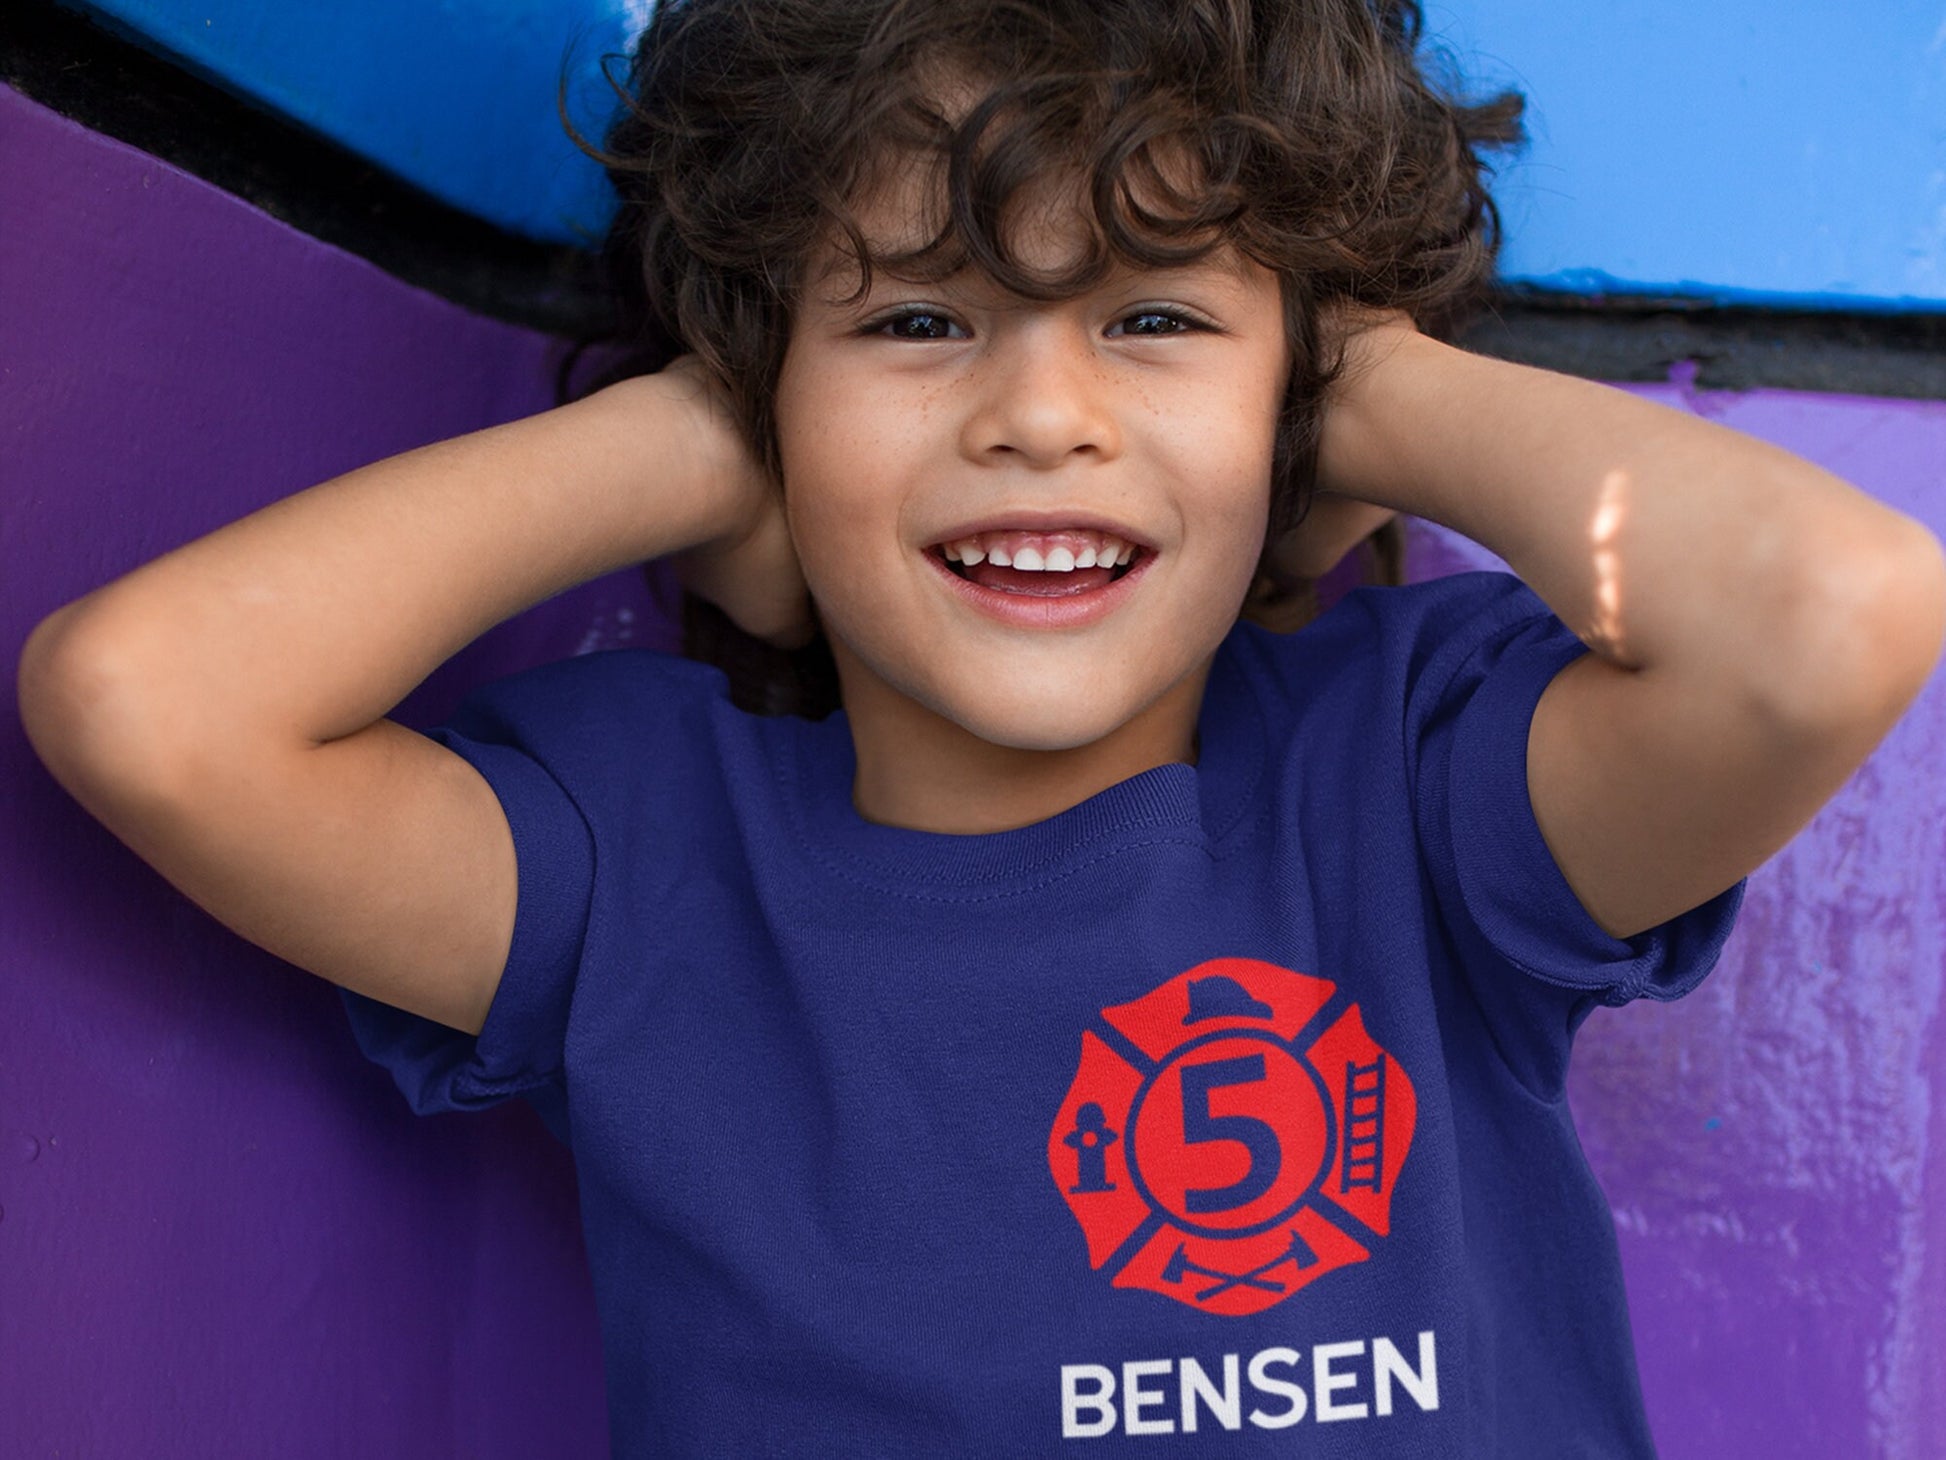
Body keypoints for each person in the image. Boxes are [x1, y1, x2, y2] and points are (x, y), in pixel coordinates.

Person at [17, 0, 1945, 1453]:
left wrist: (1353, 391)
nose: (1037, 417)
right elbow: (146, 703)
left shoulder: (1413, 788)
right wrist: (698, 433)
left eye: (1156, 320)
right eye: (914, 322)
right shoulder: (641, 863)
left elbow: (1832, 620)